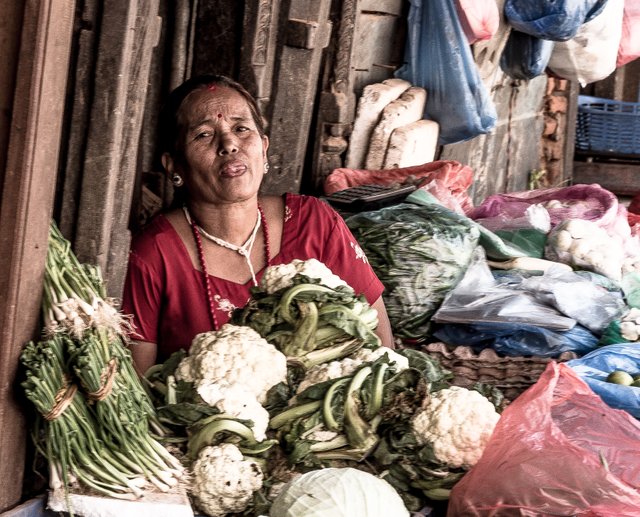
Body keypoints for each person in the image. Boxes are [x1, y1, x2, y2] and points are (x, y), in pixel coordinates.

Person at [122, 74, 394, 374]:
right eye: (203, 134)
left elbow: (381, 349)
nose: (228, 144)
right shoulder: (154, 255)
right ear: (174, 165)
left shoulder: (315, 223)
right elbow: (138, 389)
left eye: (241, 128)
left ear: (263, 148)